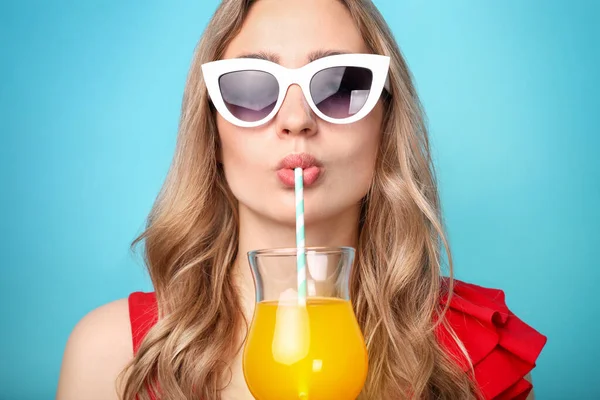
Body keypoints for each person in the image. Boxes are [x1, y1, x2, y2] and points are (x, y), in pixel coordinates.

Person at [56, 0, 547, 399]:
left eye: (339, 85)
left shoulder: (467, 350)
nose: (296, 119)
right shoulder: (111, 356)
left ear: (385, 124)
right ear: (213, 132)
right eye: (249, 88)